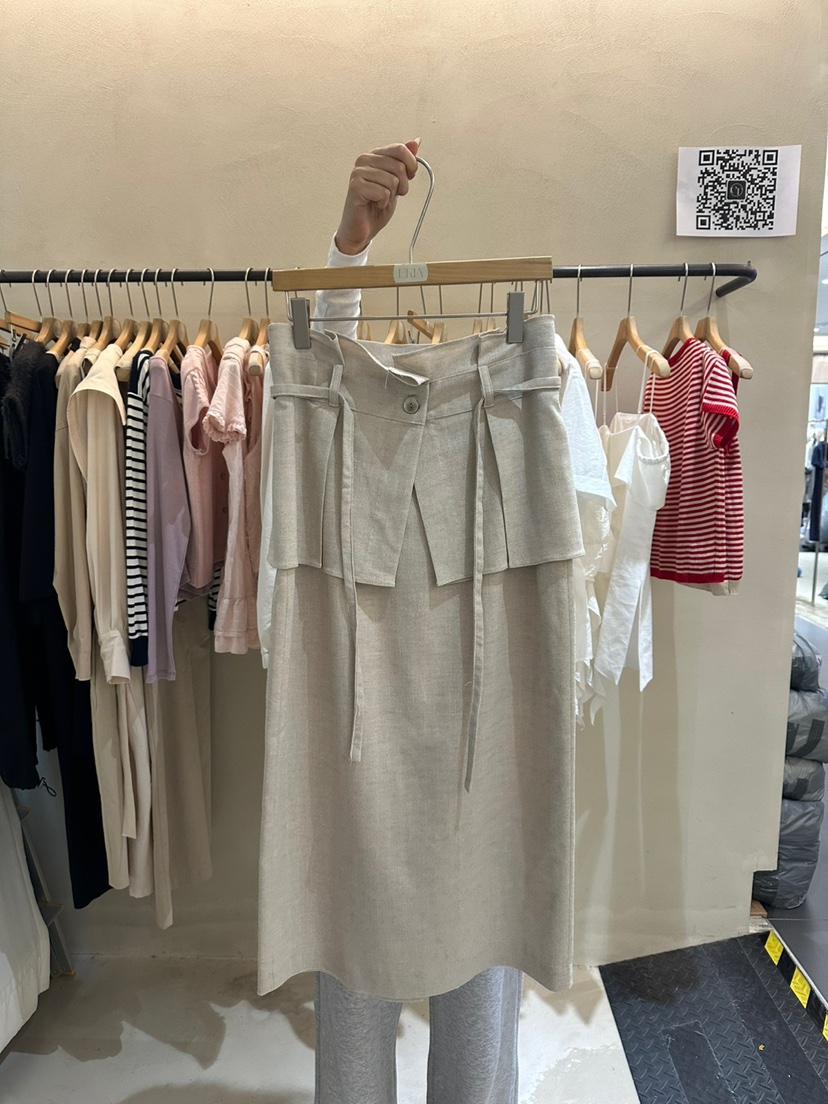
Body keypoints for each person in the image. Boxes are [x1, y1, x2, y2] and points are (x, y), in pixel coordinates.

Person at [307, 140, 525, 1104]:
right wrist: (350, 250)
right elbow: (319, 382)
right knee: (356, 943)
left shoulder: (527, 395)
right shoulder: (337, 417)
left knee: (482, 947)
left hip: (489, 697)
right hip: (360, 686)